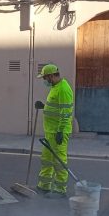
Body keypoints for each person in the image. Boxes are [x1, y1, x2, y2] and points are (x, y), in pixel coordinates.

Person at [35, 64, 74, 199]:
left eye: (45, 78)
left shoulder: (63, 89)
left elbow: (65, 113)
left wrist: (60, 131)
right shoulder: (55, 87)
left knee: (59, 161)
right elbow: (55, 108)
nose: (45, 81)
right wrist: (44, 107)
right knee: (47, 159)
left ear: (51, 76)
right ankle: (44, 186)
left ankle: (60, 189)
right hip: (50, 131)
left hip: (58, 132)